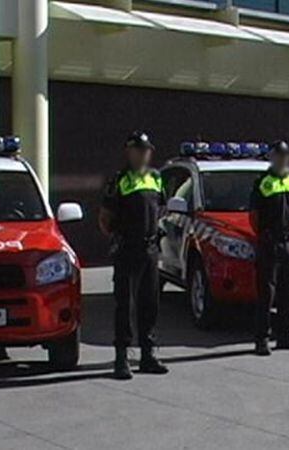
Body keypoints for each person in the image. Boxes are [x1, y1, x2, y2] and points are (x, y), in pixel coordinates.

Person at [99, 131, 169, 380]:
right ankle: (121, 358)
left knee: (149, 303)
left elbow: (161, 208)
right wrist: (120, 237)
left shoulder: (156, 178)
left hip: (150, 249)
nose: (143, 155)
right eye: (138, 150)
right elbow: (105, 219)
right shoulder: (119, 180)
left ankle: (148, 355)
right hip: (127, 248)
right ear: (129, 152)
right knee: (124, 304)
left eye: (147, 150)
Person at [249, 140, 289, 356]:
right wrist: (265, 236)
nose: (283, 159)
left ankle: (286, 335)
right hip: (270, 242)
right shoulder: (263, 182)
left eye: (286, 155)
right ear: (272, 157)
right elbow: (254, 216)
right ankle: (261, 339)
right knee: (266, 292)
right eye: (279, 155)